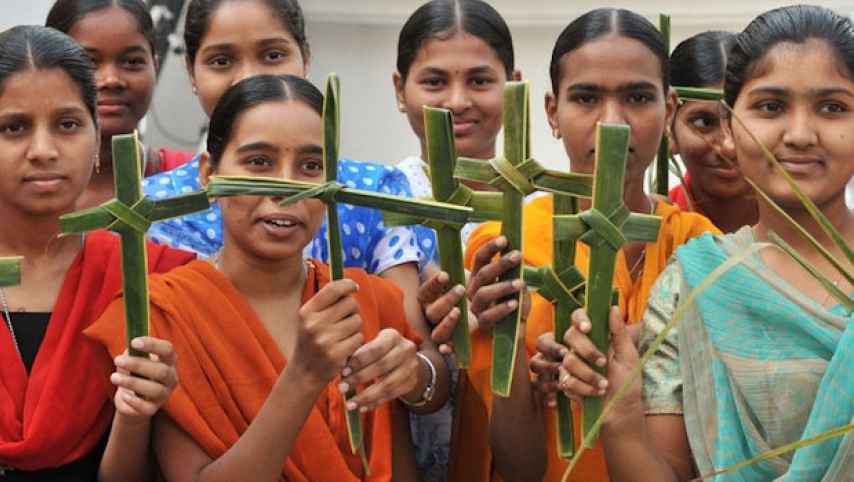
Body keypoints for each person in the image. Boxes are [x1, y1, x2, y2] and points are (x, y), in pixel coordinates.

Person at [87, 74, 441, 481]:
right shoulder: (167, 313)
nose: (286, 187)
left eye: (310, 166)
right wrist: (303, 376)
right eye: (259, 162)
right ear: (208, 176)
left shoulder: (365, 298)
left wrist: (416, 376)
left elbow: (426, 402)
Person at [561, 5, 854, 480]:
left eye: (832, 107)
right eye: (771, 106)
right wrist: (620, 418)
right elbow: (669, 469)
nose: (800, 135)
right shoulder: (692, 284)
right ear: (732, 127)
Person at [435, 8, 720, 481]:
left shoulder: (698, 245)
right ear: (553, 111)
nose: (612, 122)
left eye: (637, 97)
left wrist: (625, 345)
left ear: (668, 111)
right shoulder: (507, 243)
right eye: (586, 97)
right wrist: (513, 351)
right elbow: (518, 468)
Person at [140, 0, 445, 389]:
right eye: (221, 61)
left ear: (305, 58)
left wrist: (412, 373)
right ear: (191, 72)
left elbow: (420, 356)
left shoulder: (372, 194)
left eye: (272, 55)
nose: (248, 78)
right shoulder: (152, 211)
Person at [0, 25, 193, 481]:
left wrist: (134, 414)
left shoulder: (149, 279)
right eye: (14, 127)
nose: (43, 150)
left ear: (96, 138)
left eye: (67, 124)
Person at [391, 1, 519, 479]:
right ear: (400, 90)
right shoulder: (379, 200)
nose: (458, 101)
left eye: (481, 81)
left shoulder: (542, 209)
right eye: (435, 81)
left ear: (514, 86)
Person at [45, 0, 195, 209]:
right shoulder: (18, 188)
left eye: (132, 62)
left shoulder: (195, 180)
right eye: (88, 62)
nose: (111, 80)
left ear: (155, 65)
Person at [667, 30, 758, 233]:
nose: (727, 147)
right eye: (703, 122)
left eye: (740, 122)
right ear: (669, 129)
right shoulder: (653, 232)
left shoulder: (810, 228)